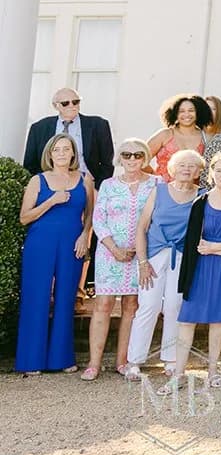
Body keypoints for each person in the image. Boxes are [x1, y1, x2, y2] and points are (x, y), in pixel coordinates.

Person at [166, 152, 221, 392]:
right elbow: (196, 244)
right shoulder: (201, 202)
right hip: (202, 267)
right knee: (188, 319)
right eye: (219, 170)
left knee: (218, 321)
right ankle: (178, 374)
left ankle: (213, 372)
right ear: (211, 174)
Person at [16, 134, 94, 375]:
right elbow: (24, 217)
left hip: (73, 243)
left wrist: (84, 236)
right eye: (56, 149)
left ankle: (61, 359)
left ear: (73, 153)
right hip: (41, 242)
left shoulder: (84, 179)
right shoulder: (37, 181)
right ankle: (31, 360)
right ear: (49, 154)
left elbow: (90, 214)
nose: (61, 153)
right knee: (36, 297)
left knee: (66, 298)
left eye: (66, 149)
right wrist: (51, 201)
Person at [82, 140, 155, 379]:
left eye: (137, 155)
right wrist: (113, 247)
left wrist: (140, 246)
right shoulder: (109, 185)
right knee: (103, 304)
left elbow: (159, 218)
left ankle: (123, 361)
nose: (132, 159)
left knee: (131, 306)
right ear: (120, 158)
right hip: (109, 251)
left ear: (144, 158)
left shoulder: (156, 184)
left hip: (140, 254)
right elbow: (99, 219)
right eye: (127, 155)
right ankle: (94, 363)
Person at [128, 149, 203, 376]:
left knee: (174, 306)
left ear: (199, 171)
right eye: (182, 165)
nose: (187, 169)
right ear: (172, 168)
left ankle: (171, 359)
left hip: (183, 256)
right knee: (148, 306)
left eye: (192, 165)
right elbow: (141, 228)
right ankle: (134, 361)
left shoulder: (203, 195)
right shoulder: (158, 191)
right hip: (153, 256)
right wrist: (142, 262)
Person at [25, 87, 115, 185]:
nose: (72, 106)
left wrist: (98, 188)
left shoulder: (99, 125)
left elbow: (107, 164)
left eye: (75, 102)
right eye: (65, 103)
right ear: (56, 106)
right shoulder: (39, 128)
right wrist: (41, 187)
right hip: (50, 186)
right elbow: (30, 165)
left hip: (87, 184)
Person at [147, 94, 213, 182]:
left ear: (198, 112)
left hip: (192, 192)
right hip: (162, 188)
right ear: (175, 113)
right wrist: (154, 175)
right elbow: (139, 158)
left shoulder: (205, 138)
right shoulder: (165, 134)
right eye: (181, 111)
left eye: (191, 110)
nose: (186, 114)